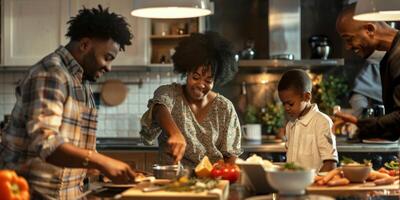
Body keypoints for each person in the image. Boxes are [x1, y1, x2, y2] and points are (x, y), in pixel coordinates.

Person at [0, 5, 139, 199]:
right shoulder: (52, 73)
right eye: (107, 57)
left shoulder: (82, 81)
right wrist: (101, 161)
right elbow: (46, 143)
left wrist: (101, 170)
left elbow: (80, 148)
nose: (109, 67)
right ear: (84, 45)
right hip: (32, 193)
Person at [140, 32, 242, 168]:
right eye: (196, 76)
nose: (201, 84)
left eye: (208, 80)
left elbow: (230, 156)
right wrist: (175, 133)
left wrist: (225, 175)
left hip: (210, 181)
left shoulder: (225, 107)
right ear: (187, 72)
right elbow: (159, 108)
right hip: (170, 179)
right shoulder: (169, 93)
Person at [335, 4, 400, 141]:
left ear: (370, 30)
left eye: (349, 39)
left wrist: (361, 124)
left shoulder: (398, 56)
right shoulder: (388, 58)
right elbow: (394, 129)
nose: (347, 47)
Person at [278, 69, 338, 172]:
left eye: (290, 104)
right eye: (284, 104)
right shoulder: (290, 126)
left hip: (314, 186)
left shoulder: (322, 122)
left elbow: (330, 164)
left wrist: (316, 184)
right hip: (293, 185)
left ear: (307, 96)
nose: (286, 108)